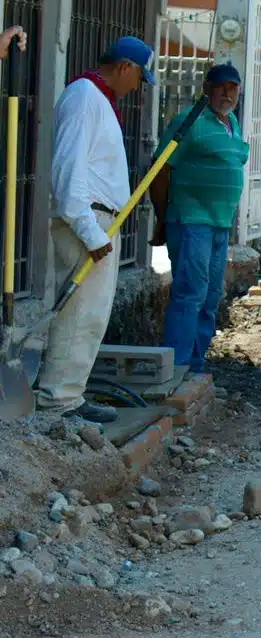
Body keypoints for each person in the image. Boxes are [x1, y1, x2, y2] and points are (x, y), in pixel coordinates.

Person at [41, 36, 156, 422]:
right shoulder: (85, 97)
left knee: (89, 316)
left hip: (100, 220)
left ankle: (69, 392)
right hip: (87, 220)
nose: (138, 86)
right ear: (125, 67)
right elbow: (67, 168)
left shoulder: (98, 98)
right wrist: (89, 231)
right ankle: (58, 398)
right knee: (78, 314)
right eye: (139, 76)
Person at [151, 63, 249, 377]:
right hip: (191, 219)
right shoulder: (189, 121)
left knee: (210, 296)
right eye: (220, 86)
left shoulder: (232, 122)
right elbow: (160, 169)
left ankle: (195, 364)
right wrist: (163, 215)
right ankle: (176, 369)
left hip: (220, 223)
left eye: (232, 87)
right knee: (190, 292)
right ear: (206, 89)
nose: (226, 93)